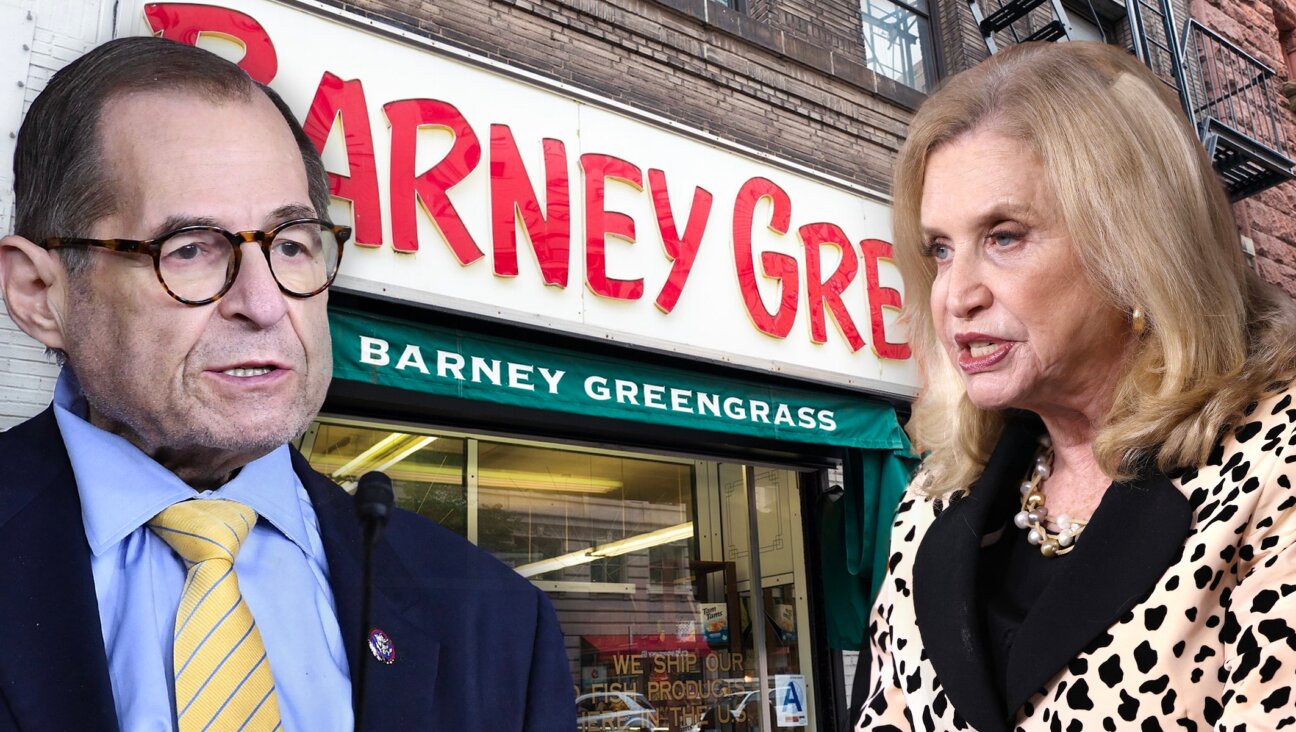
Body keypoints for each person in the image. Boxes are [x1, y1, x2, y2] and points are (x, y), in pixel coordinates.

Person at [0, 37, 575, 731]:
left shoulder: (499, 619)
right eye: (188, 250)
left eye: (292, 245)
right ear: (39, 293)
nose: (265, 303)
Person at [854, 41, 1296, 730]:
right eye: (939, 248)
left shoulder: (1276, 469)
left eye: (1003, 235)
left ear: (1133, 243)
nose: (955, 295)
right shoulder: (929, 508)